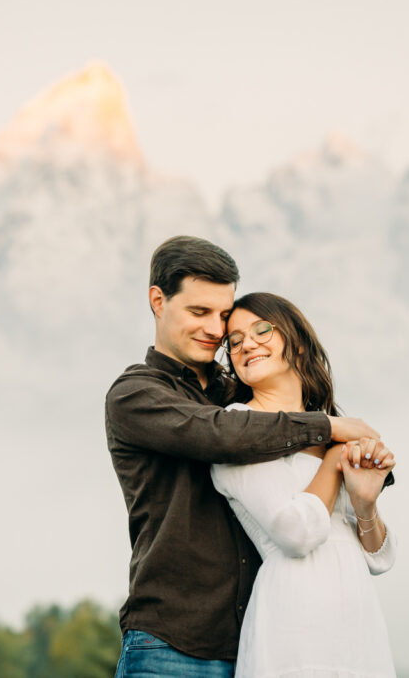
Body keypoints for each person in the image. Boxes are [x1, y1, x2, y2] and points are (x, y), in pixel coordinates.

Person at [105, 236, 382, 677]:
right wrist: (327, 427)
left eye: (222, 316)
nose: (215, 330)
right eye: (199, 312)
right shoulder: (136, 395)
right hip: (170, 645)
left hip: (262, 641)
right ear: (158, 301)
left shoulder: (241, 391)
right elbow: (219, 434)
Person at [211, 292, 398, 678]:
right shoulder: (238, 426)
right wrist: (333, 461)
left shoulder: (332, 427)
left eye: (262, 329)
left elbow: (379, 559)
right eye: (235, 341)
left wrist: (365, 505)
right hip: (293, 616)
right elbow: (295, 532)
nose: (247, 344)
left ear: (296, 342)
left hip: (356, 619)